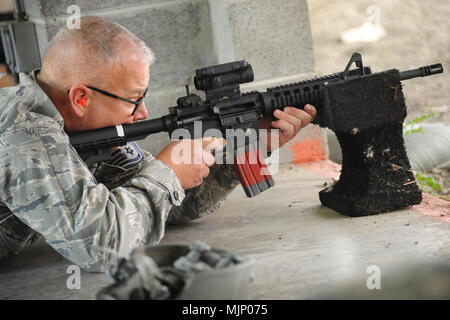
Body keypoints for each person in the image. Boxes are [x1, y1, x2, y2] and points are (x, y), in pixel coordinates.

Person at [0, 16, 316, 272]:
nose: (144, 112)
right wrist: (166, 170)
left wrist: (244, 149)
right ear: (81, 98)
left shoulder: (93, 136)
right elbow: (103, 247)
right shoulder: (25, 129)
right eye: (134, 100)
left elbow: (172, 208)